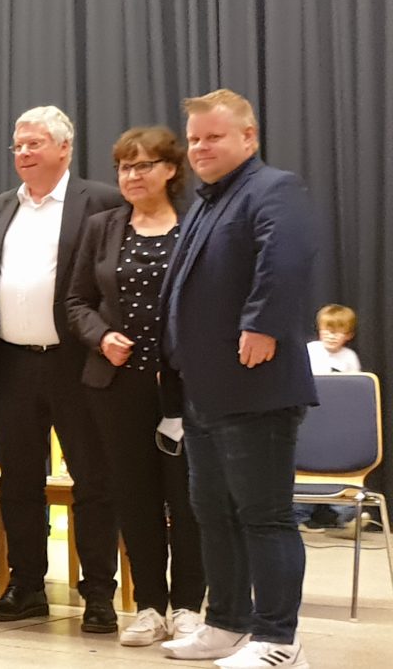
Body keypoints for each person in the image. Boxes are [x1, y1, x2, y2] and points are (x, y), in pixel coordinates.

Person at [159, 89, 317, 669]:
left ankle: (279, 640)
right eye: (194, 138)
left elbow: (288, 255)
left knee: (264, 515)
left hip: (255, 383)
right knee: (214, 513)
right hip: (204, 390)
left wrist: (263, 324)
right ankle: (227, 623)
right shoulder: (205, 201)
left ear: (248, 138)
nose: (200, 147)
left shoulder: (274, 187)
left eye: (213, 136)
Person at [0, 106, 124, 634]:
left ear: (65, 148)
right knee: (17, 481)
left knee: (93, 480)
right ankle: (26, 587)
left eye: (34, 144)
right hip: (15, 362)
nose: (22, 153)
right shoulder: (2, 206)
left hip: (76, 364)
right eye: (17, 145)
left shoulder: (101, 200)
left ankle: (99, 595)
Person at [66, 126, 205, 646]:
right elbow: (75, 301)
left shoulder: (196, 224)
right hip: (116, 384)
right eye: (124, 167)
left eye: (143, 165)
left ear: (171, 169)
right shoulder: (103, 226)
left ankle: (190, 605)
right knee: (135, 496)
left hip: (185, 386)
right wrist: (101, 338)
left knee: (187, 497)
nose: (130, 176)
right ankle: (149, 605)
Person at [295, 303, 362, 532]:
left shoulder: (350, 358)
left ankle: (345, 518)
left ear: (349, 335)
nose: (332, 335)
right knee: (304, 470)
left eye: (339, 331)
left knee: (341, 471)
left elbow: (355, 395)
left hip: (338, 425)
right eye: (328, 329)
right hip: (309, 422)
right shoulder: (310, 350)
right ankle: (298, 517)